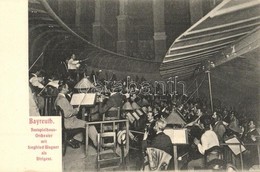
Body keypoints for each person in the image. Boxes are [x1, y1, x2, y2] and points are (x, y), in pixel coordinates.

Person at [54, 83, 98, 148]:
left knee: (82, 126)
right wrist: (75, 110)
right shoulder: (62, 99)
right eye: (67, 88)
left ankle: (74, 139)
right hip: (69, 123)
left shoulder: (58, 98)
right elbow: (66, 114)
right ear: (63, 88)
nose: (68, 89)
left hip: (66, 122)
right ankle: (98, 144)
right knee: (90, 125)